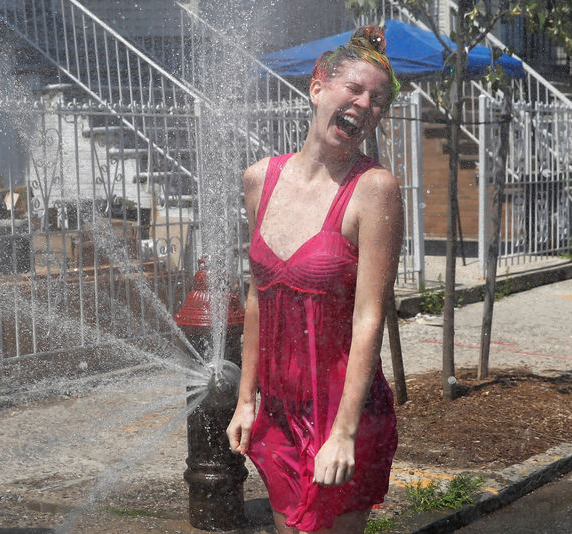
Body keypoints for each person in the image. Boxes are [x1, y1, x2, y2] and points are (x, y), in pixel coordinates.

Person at [226, 25, 403, 534]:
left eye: (377, 100)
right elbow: (258, 295)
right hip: (280, 409)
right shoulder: (260, 179)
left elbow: (371, 315)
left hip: (343, 407)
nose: (365, 104)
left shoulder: (375, 191)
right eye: (355, 89)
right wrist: (246, 399)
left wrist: (344, 432)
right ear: (318, 86)